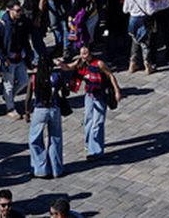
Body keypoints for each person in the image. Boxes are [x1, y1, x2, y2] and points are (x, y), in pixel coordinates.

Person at [26, 48, 67, 180]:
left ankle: (41, 169)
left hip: (40, 110)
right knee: (55, 138)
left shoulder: (34, 78)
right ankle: (56, 169)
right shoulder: (56, 76)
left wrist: (27, 112)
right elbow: (65, 92)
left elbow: (28, 97)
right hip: (54, 109)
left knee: (35, 139)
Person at [75, 45, 120, 160]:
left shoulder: (99, 63)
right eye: (81, 53)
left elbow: (110, 75)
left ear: (90, 53)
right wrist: (60, 64)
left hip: (100, 96)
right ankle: (88, 143)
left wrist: (117, 91)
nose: (83, 56)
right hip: (89, 96)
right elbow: (69, 67)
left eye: (85, 53)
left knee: (97, 123)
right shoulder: (81, 63)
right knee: (88, 120)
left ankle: (95, 151)